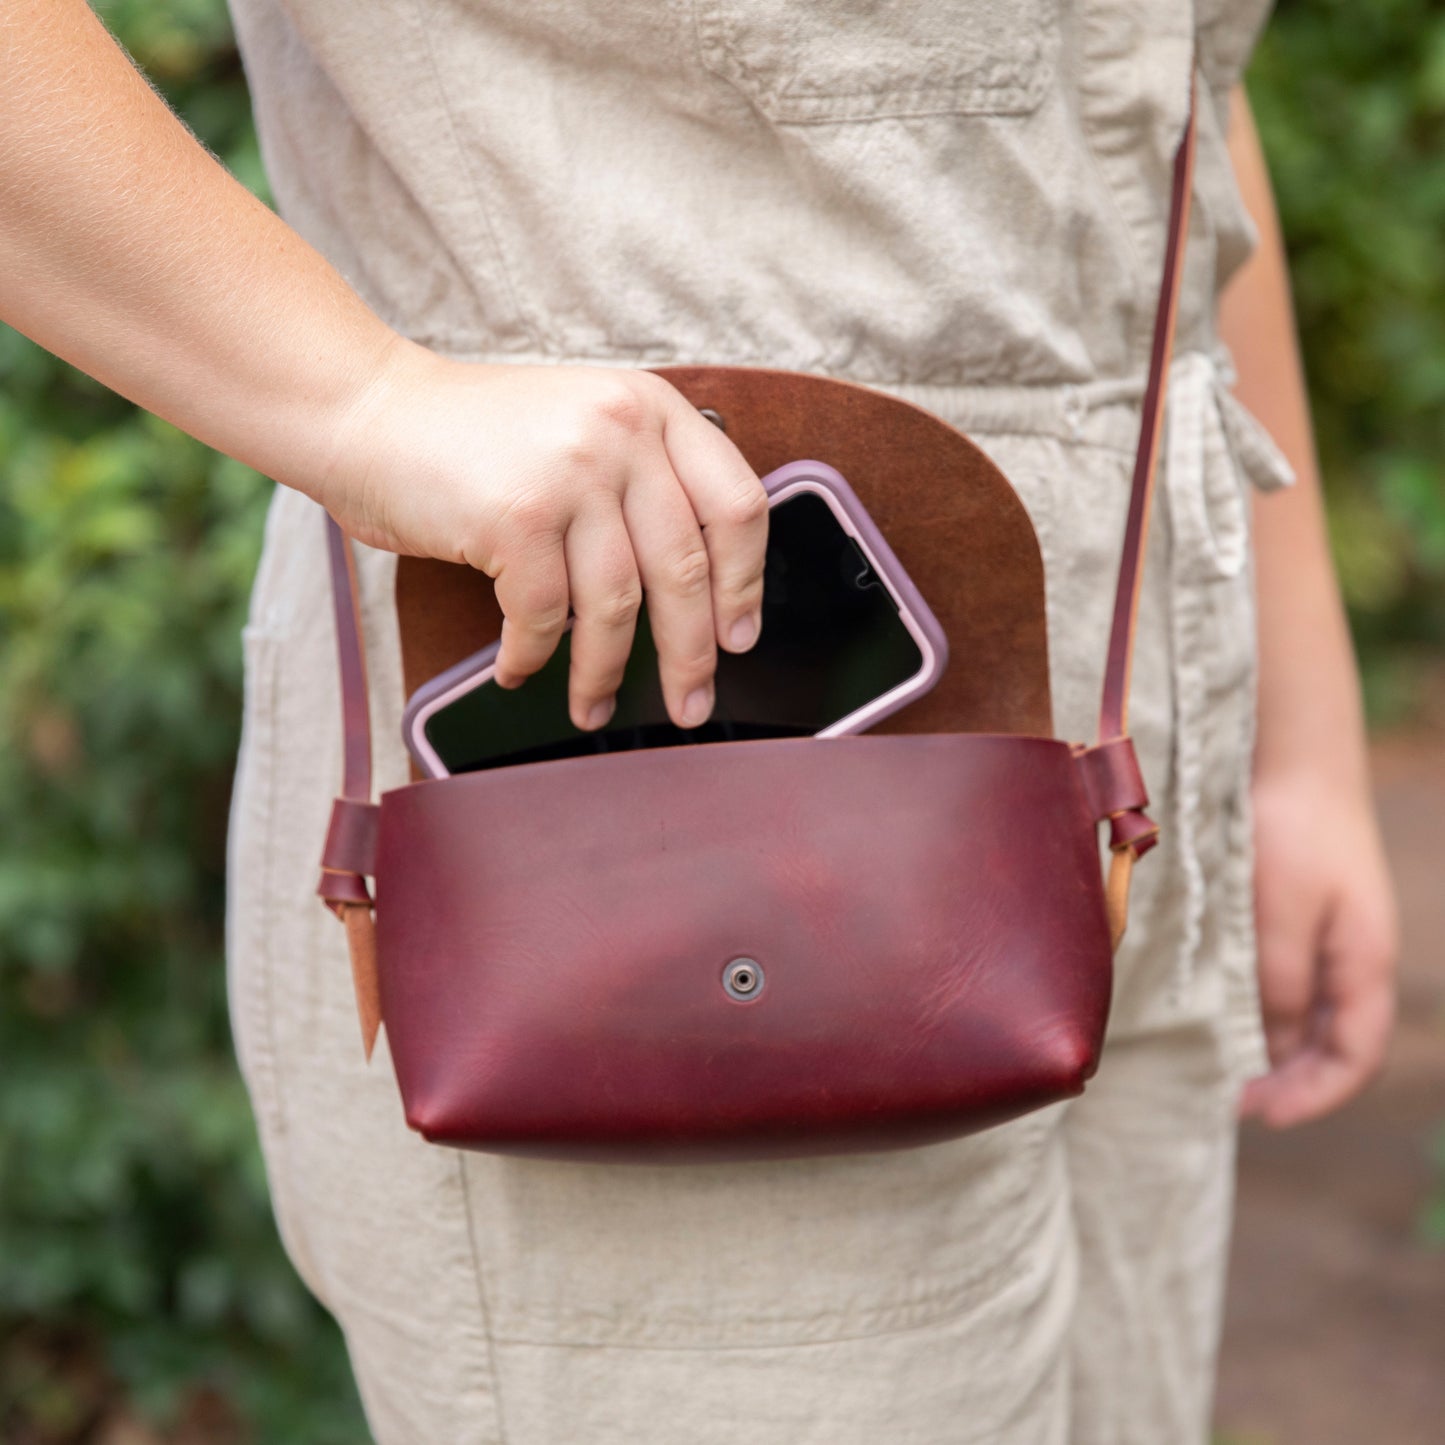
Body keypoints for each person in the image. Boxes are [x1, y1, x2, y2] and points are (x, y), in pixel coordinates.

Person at [0, 1, 1399, 1440]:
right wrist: (362, 403)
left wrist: (1294, 726)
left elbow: (1168, 93)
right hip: (633, 800)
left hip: (1124, 752)